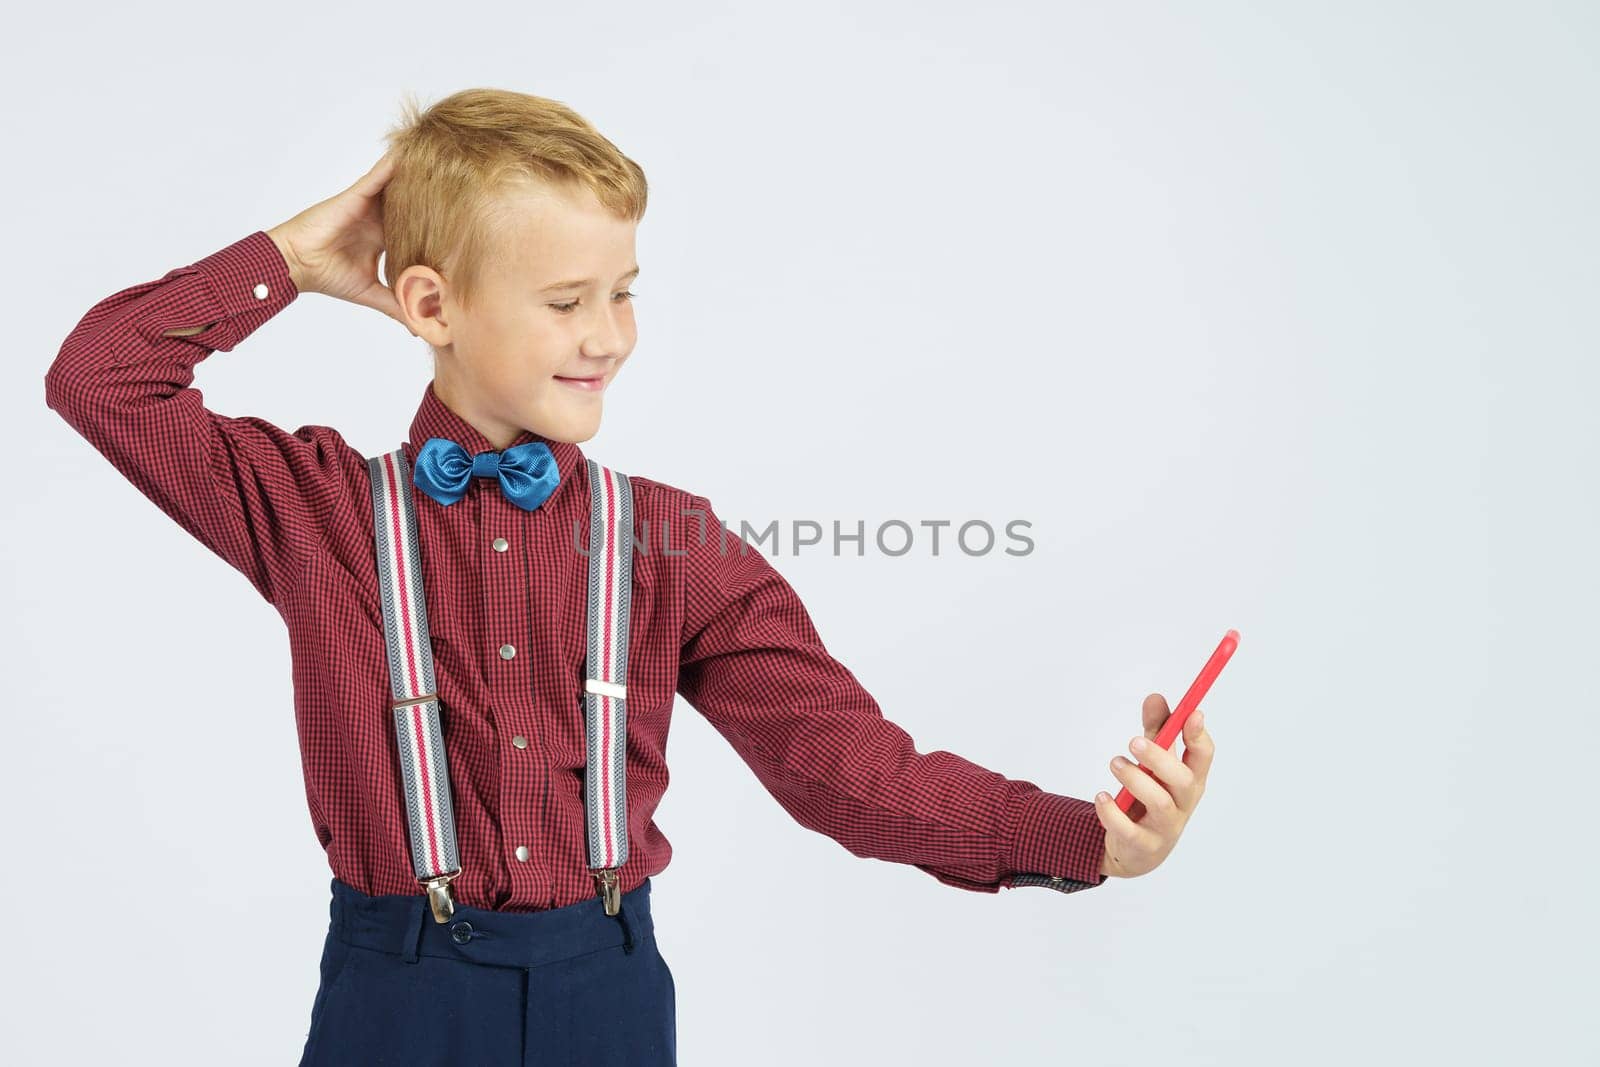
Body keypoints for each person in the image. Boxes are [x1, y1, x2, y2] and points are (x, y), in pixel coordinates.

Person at [44, 86, 1215, 1066]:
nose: (610, 336)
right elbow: (101, 380)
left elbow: (841, 764)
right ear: (430, 305)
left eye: (624, 289)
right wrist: (291, 261)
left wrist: (1084, 837)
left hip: (603, 992)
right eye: (565, 301)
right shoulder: (320, 512)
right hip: (394, 993)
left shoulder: (672, 541)